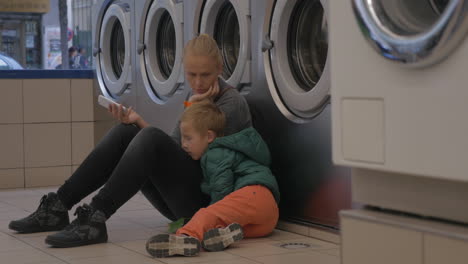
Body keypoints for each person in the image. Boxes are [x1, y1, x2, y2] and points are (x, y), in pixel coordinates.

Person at [8, 34, 252, 248]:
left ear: (220, 69)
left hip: (207, 207)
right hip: (184, 197)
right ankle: (57, 207)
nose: (198, 83)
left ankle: (95, 216)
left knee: (149, 136)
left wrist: (194, 107)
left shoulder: (232, 105)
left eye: (205, 75)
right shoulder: (196, 96)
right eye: (191, 74)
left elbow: (199, 159)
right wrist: (139, 122)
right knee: (126, 132)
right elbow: (177, 148)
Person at [145, 101, 280, 258]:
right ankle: (220, 236)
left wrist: (204, 215)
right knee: (230, 226)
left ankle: (184, 237)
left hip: (253, 194)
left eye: (188, 138)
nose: (183, 144)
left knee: (209, 214)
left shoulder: (214, 154)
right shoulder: (226, 151)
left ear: (209, 136)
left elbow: (221, 190)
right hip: (269, 217)